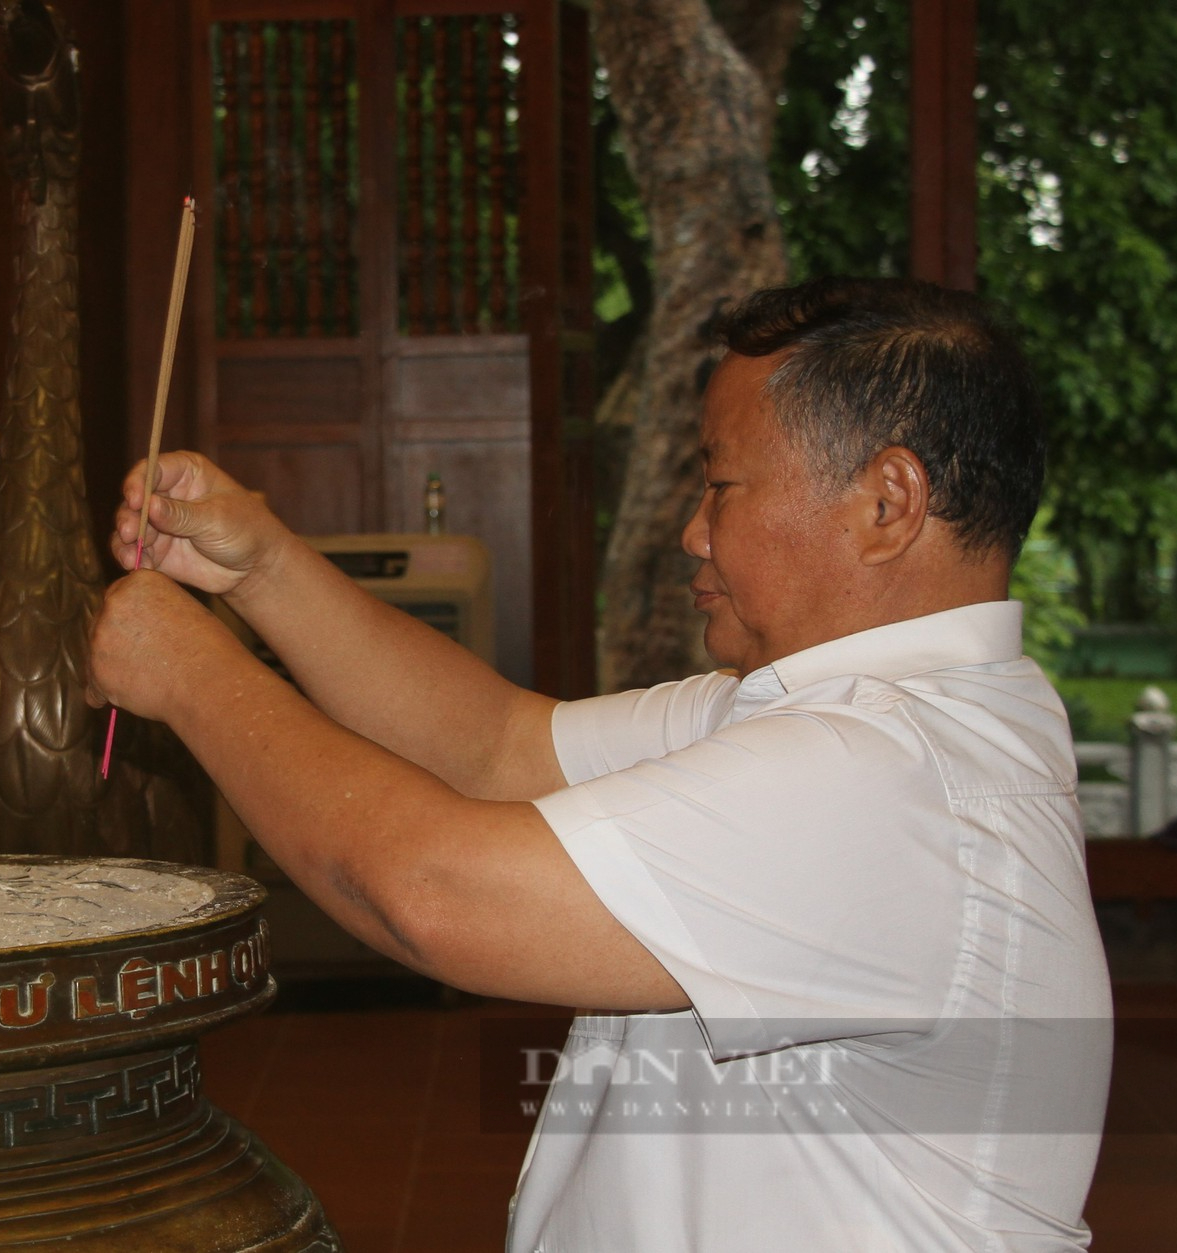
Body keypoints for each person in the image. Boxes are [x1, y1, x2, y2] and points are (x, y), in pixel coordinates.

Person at [87, 276, 1112, 1251]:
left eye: (719, 483)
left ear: (885, 502)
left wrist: (195, 677)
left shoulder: (887, 777)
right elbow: (500, 746)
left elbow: (432, 891)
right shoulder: (842, 716)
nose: (691, 530)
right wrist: (262, 567)